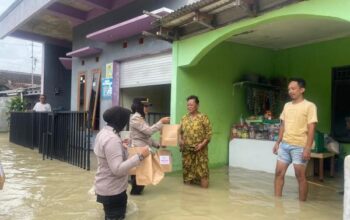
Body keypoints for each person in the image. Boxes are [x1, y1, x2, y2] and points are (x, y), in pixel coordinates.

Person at [94, 106, 150, 220]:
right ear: (119, 121)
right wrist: (140, 156)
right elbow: (118, 169)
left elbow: (106, 155)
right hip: (113, 191)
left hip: (105, 187)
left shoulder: (103, 133)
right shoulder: (112, 139)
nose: (126, 124)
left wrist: (122, 146)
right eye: (125, 120)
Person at [273, 78, 318, 201]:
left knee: (300, 176)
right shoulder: (287, 106)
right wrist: (278, 142)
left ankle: (302, 206)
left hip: (300, 146)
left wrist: (308, 148)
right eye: (289, 89)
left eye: (293, 88)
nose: (290, 91)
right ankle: (277, 203)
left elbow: (312, 127)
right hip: (285, 145)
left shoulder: (310, 106)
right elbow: (283, 125)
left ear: (302, 90)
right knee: (278, 173)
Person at [129, 97, 170, 195]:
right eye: (145, 106)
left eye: (148, 106)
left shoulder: (141, 119)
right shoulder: (135, 118)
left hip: (142, 150)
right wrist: (161, 122)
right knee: (139, 179)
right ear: (139, 106)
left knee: (141, 178)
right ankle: (135, 200)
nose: (148, 108)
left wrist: (158, 145)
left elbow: (145, 137)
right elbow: (149, 132)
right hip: (138, 151)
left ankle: (136, 200)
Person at [179, 95, 212, 188]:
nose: (189, 107)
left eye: (191, 105)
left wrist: (202, 145)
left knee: (203, 173)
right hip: (187, 151)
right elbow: (180, 132)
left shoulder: (203, 117)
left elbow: (209, 134)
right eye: (188, 105)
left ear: (197, 105)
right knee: (187, 174)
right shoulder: (184, 118)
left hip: (200, 150)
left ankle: (204, 196)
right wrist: (180, 140)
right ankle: (187, 197)